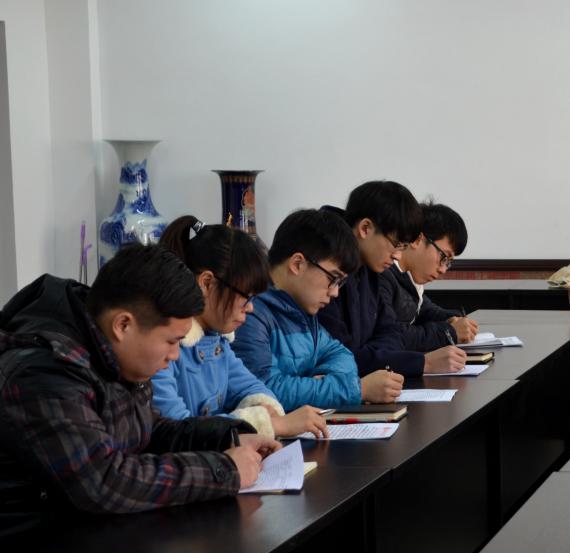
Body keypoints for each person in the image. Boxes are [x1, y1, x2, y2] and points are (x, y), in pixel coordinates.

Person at [0, 244, 280, 515]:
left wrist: (228, 437)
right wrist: (224, 470)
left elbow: (148, 432)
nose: (174, 355)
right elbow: (103, 481)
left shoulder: (110, 351)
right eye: (171, 341)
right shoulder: (45, 374)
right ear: (123, 325)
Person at [152, 217, 329, 439]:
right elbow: (176, 430)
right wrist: (269, 425)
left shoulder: (218, 341)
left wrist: (266, 409)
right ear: (207, 283)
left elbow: (250, 387)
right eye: (246, 297)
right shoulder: (162, 348)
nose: (251, 307)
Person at [233, 208, 403, 411]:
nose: (335, 292)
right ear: (297, 264)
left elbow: (342, 355)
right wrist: (357, 389)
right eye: (333, 278)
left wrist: (317, 387)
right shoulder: (248, 313)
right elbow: (263, 391)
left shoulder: (302, 311)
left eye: (340, 283)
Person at [319, 181, 467, 375]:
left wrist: (376, 355)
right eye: (396, 244)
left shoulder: (370, 269)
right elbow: (342, 357)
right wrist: (422, 363)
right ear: (365, 228)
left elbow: (392, 333)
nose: (397, 256)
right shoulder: (325, 273)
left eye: (403, 247)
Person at [379, 200, 478, 350]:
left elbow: (425, 310)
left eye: (449, 262)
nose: (443, 270)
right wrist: (449, 332)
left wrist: (454, 319)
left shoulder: (409, 278)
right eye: (444, 256)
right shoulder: (382, 275)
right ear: (418, 240)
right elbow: (391, 335)